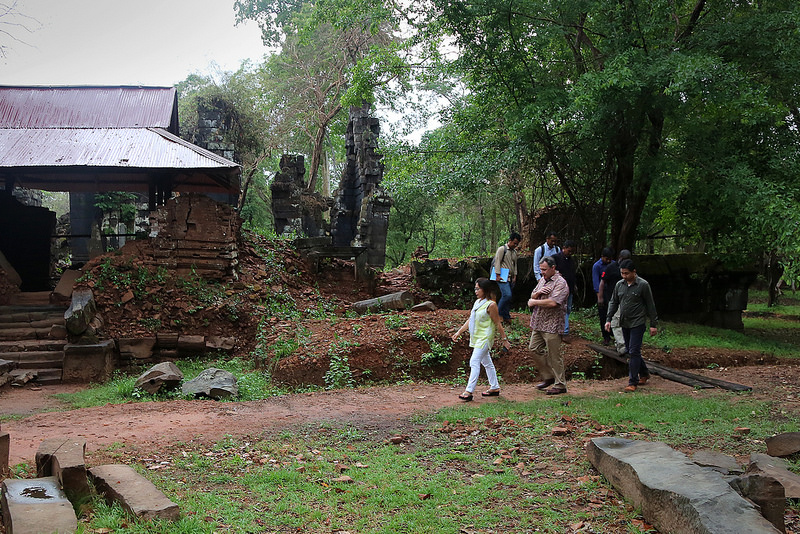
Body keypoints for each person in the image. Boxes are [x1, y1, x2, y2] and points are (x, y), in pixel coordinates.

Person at [452, 277, 512, 401]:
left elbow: (497, 323)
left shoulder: (491, 305)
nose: (476, 291)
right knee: (486, 362)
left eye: (478, 289)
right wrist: (459, 332)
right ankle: (494, 387)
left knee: (474, 361)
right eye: (475, 288)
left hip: (485, 337)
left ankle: (469, 391)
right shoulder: (478, 302)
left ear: (485, 290)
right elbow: (471, 319)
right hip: (477, 337)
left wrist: (504, 339)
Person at [605, 259, 658, 392]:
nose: (624, 276)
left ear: (634, 272)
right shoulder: (619, 285)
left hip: (638, 322)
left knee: (634, 351)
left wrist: (653, 324)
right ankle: (644, 372)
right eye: (622, 273)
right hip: (625, 322)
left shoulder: (643, 285)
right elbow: (613, 302)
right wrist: (608, 319)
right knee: (630, 350)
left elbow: (650, 305)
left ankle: (632, 381)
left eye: (627, 273)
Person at [528, 256, 570, 395]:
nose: (542, 272)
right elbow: (532, 296)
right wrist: (538, 293)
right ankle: (549, 376)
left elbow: (553, 302)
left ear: (553, 268)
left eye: (544, 270)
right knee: (533, 349)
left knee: (554, 355)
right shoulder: (542, 280)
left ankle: (560, 384)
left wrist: (535, 302)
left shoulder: (560, 283)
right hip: (538, 323)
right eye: (541, 270)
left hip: (553, 324)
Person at [599, 249, 631, 354]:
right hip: (613, 299)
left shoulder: (631, 269)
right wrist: (600, 297)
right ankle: (620, 345)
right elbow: (602, 282)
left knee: (625, 323)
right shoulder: (610, 268)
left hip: (627, 300)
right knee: (614, 322)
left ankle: (625, 344)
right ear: (620, 258)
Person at [492, 232, 521, 324]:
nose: (515, 245)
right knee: (507, 295)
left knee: (509, 297)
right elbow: (497, 261)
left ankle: (506, 315)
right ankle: (498, 314)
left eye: (517, 244)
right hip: (502, 276)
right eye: (514, 243)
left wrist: (515, 275)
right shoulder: (502, 249)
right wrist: (497, 275)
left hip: (510, 277)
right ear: (510, 241)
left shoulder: (514, 252)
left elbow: (515, 264)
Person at [553, 240, 577, 342]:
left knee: (568, 309)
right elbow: (551, 271)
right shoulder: (556, 258)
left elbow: (573, 274)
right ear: (564, 248)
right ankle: (563, 331)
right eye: (569, 251)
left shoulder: (571, 260)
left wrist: (574, 285)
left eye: (572, 251)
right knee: (560, 308)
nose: (570, 253)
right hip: (560, 289)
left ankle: (563, 330)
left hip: (570, 288)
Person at [592, 247, 615, 346]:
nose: (608, 261)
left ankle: (614, 334)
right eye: (606, 259)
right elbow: (596, 282)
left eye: (610, 259)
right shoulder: (597, 266)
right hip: (602, 293)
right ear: (602, 257)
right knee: (603, 315)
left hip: (613, 293)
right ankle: (606, 336)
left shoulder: (614, 264)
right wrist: (599, 297)